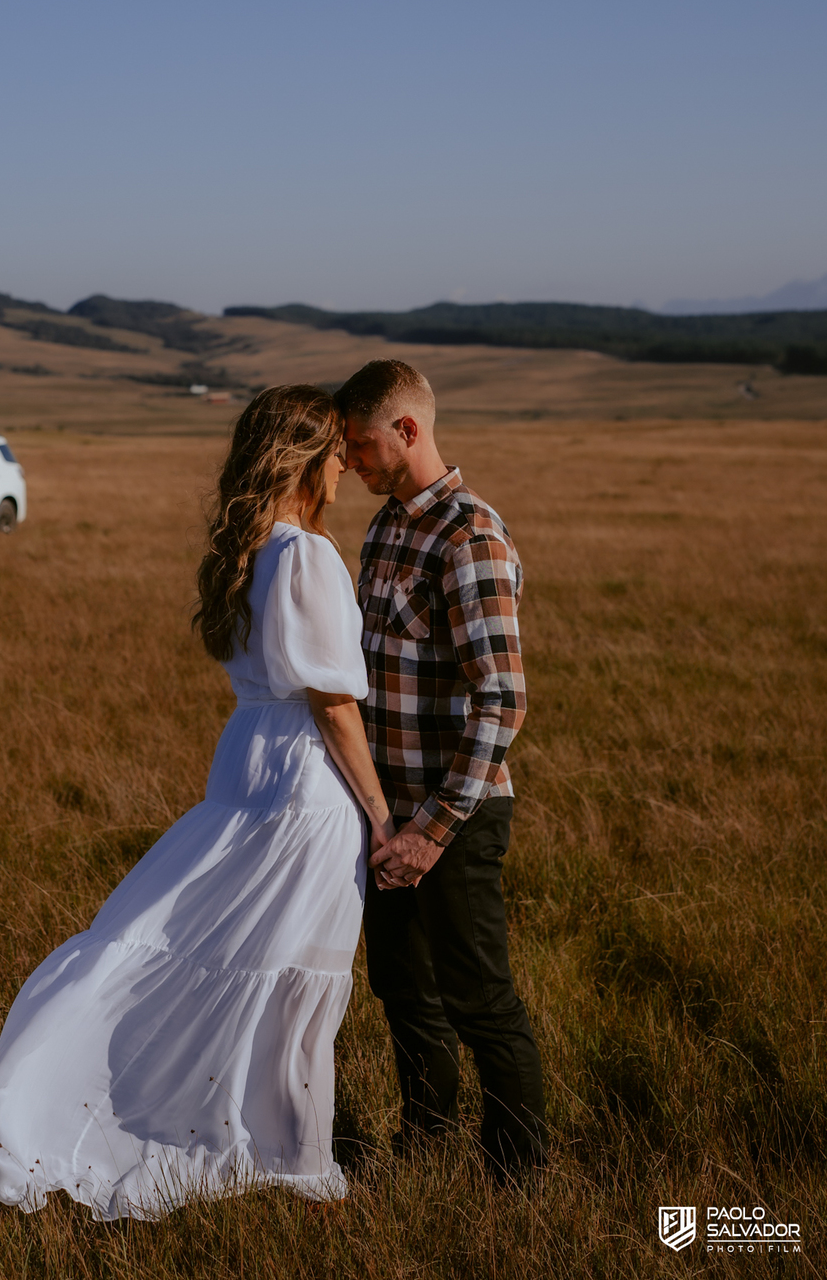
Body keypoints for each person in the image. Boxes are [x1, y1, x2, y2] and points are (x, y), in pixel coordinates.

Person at [0, 385, 396, 1220]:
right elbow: (333, 704)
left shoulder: (250, 552)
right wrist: (380, 814)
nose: (347, 462)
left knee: (226, 952)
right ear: (301, 457)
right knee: (290, 969)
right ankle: (288, 1159)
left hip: (247, 767)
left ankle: (252, 1137)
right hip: (305, 783)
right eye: (336, 448)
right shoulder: (306, 555)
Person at [334, 359, 546, 1180]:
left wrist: (431, 833)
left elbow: (502, 702)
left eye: (360, 445)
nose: (351, 462)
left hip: (455, 817)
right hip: (389, 813)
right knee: (401, 990)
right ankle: (423, 1143)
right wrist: (388, 819)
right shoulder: (387, 527)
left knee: (480, 999)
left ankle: (517, 1175)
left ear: (408, 430)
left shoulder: (470, 536)